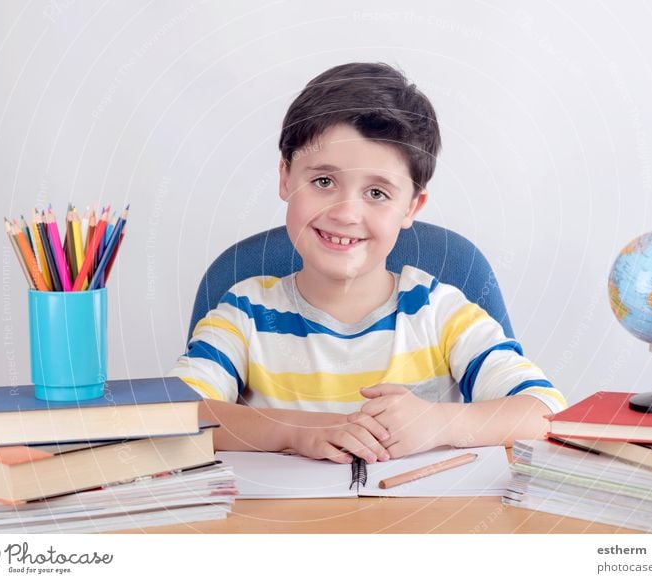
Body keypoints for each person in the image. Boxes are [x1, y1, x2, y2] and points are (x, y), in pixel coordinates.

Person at [169, 62, 567, 464]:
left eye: (377, 193)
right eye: (323, 182)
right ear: (286, 178)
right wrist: (292, 431)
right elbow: (175, 415)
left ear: (411, 206)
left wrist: (438, 423)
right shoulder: (243, 313)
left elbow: (545, 411)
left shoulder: (439, 313)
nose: (345, 213)